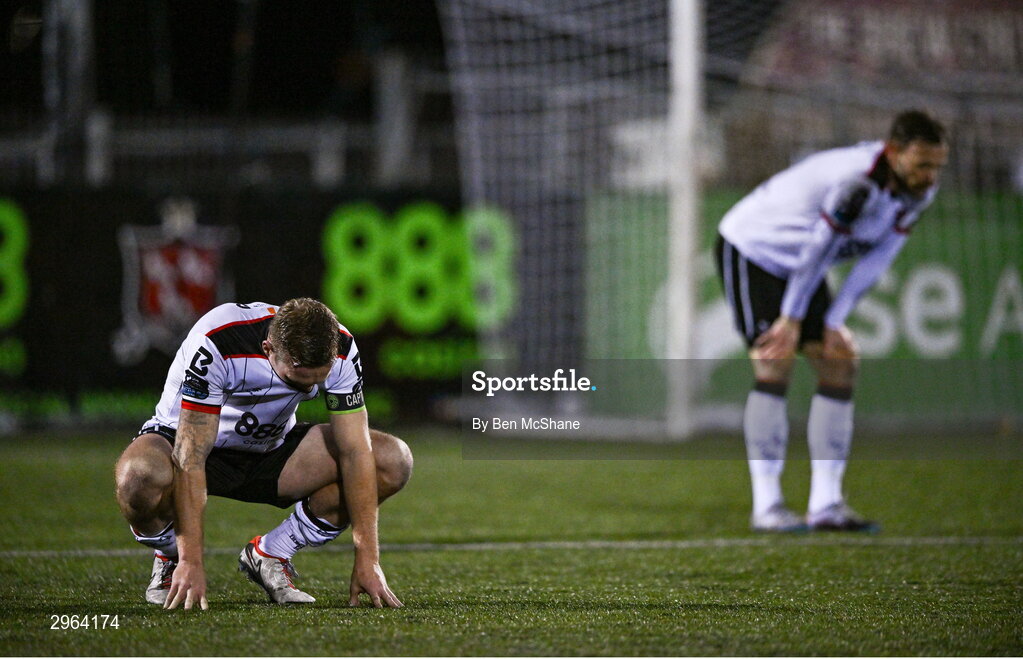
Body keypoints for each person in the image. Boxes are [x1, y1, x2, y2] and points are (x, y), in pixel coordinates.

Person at [715, 110, 948, 532]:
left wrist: (834, 320)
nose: (931, 176)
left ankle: (826, 504)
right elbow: (818, 254)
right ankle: (767, 506)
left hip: (801, 265)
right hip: (755, 249)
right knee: (774, 360)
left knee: (839, 361)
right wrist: (791, 319)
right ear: (894, 152)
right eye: (923, 165)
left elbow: (877, 260)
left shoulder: (918, 192)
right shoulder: (855, 184)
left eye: (937, 166)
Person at [114, 298, 413, 609]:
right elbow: (191, 455)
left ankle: (271, 552)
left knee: (391, 461)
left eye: (317, 381)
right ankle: (170, 555)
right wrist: (191, 559)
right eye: (297, 380)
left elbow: (356, 450)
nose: (307, 388)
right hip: (184, 445)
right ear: (268, 348)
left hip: (271, 450)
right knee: (138, 476)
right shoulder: (220, 339)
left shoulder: (341, 348)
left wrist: (368, 557)